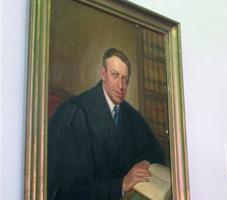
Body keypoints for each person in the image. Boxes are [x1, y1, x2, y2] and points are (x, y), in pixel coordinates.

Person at [48, 48, 164, 200]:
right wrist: (121, 185)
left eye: (125, 79)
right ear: (103, 74)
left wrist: (145, 162)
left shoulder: (129, 114)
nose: (121, 86)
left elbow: (156, 151)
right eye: (115, 75)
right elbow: (69, 188)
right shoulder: (75, 113)